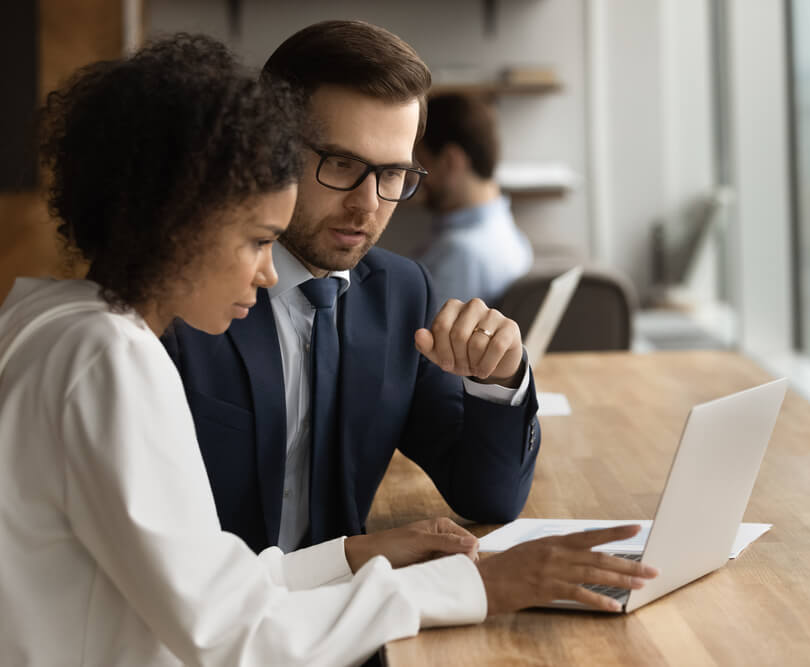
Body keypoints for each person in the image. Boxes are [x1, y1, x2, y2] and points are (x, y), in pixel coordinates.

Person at [0, 35, 658, 665]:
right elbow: (231, 633)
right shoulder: (110, 361)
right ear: (174, 222)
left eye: (393, 175)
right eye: (257, 239)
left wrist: (351, 556)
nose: (268, 273)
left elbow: (206, 580)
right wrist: (478, 584)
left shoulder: (60, 324)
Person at [164, 20, 542, 554]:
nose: (368, 204)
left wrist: (499, 379)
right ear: (269, 148)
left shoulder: (403, 292)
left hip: (348, 613)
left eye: (393, 174)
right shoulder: (183, 296)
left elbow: (489, 496)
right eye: (342, 164)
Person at [415, 92, 533, 305]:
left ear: (450, 160)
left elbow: (416, 336)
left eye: (422, 163)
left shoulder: (458, 255)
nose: (419, 179)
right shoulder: (512, 236)